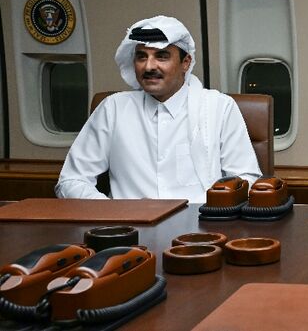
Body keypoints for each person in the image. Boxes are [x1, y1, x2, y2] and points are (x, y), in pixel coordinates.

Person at [56, 15, 262, 203]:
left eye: (162, 56)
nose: (149, 66)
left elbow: (247, 180)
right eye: (141, 57)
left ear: (185, 62)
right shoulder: (113, 109)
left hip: (201, 233)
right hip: (129, 232)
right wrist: (113, 214)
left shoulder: (219, 108)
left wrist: (214, 213)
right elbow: (71, 181)